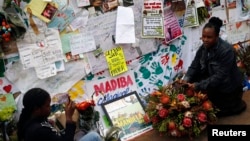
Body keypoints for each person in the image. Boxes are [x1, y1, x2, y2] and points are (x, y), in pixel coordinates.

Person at [182, 17, 247, 117]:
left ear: (217, 37)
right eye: (203, 36)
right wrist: (185, 80)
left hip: (228, 87)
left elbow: (219, 77)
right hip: (214, 79)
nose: (205, 40)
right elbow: (194, 66)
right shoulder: (203, 47)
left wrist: (198, 85)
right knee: (192, 79)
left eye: (209, 37)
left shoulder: (226, 51)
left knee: (215, 112)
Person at [17, 88, 102, 141]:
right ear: (36, 109)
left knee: (82, 133)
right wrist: (68, 118)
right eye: (47, 106)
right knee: (94, 136)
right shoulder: (37, 130)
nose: (50, 108)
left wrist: (49, 123)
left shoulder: (31, 119)